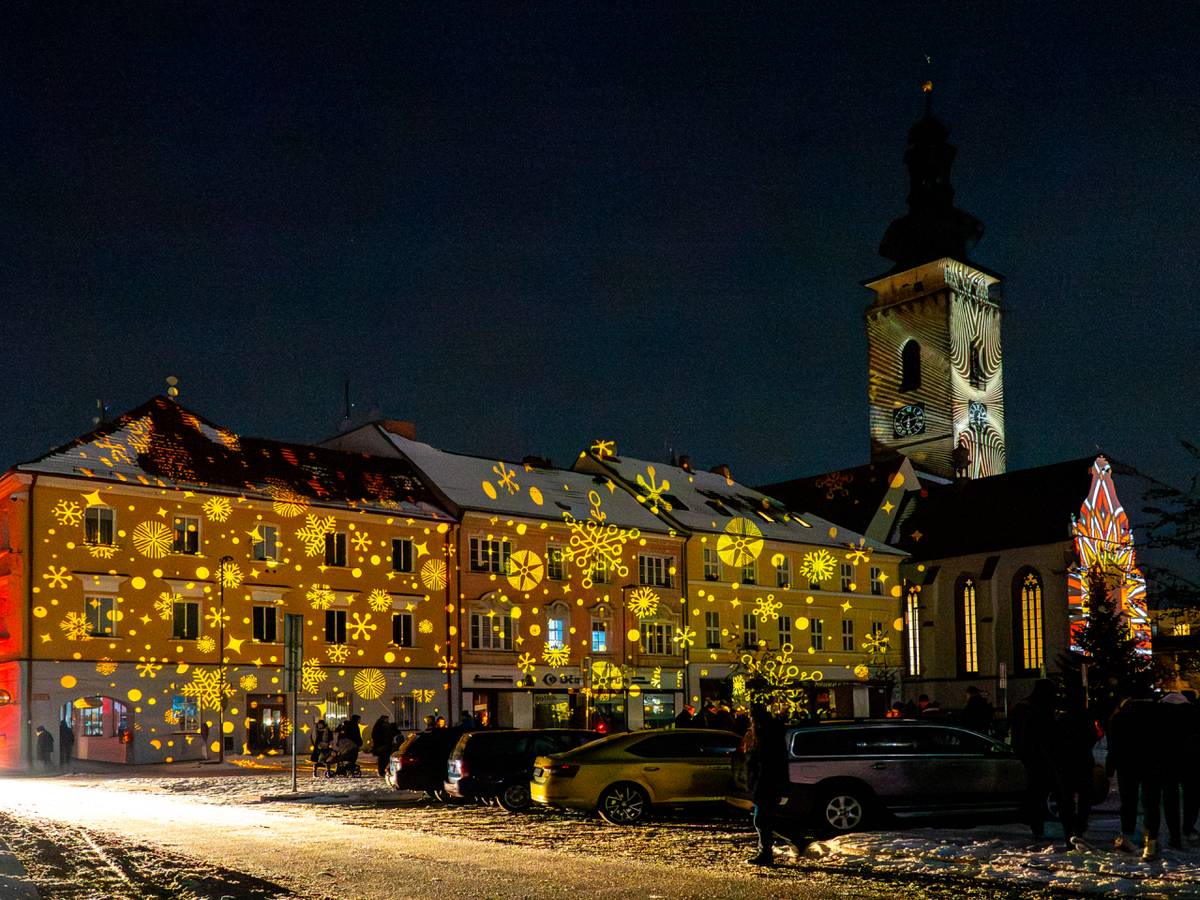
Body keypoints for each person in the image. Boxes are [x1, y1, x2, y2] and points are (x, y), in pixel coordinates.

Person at [1009, 679, 1058, 841]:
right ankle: (1037, 822)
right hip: (1038, 755)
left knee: (1036, 790)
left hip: (1027, 754)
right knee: (1039, 790)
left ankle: (1036, 822)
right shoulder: (1039, 709)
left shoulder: (1024, 707)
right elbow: (1046, 734)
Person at [1106, 694, 1156, 854]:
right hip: (1149, 763)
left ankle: (1128, 833)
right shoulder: (1151, 720)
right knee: (1150, 801)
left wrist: (1110, 767)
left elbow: (1113, 745)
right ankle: (1151, 836)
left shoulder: (1118, 719)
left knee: (1128, 800)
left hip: (1126, 764)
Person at [1051, 681, 1097, 850]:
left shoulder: (1061, 718)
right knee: (1084, 797)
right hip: (1082, 761)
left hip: (1066, 763)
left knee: (1066, 800)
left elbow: (1054, 741)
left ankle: (1069, 832)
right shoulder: (1085, 717)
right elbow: (1092, 737)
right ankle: (1079, 828)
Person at [742, 706, 788, 867]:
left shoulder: (766, 737)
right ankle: (766, 851)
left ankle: (766, 853)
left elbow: (765, 764)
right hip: (766, 783)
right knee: (763, 819)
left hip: (766, 784)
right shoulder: (769, 735)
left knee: (762, 819)